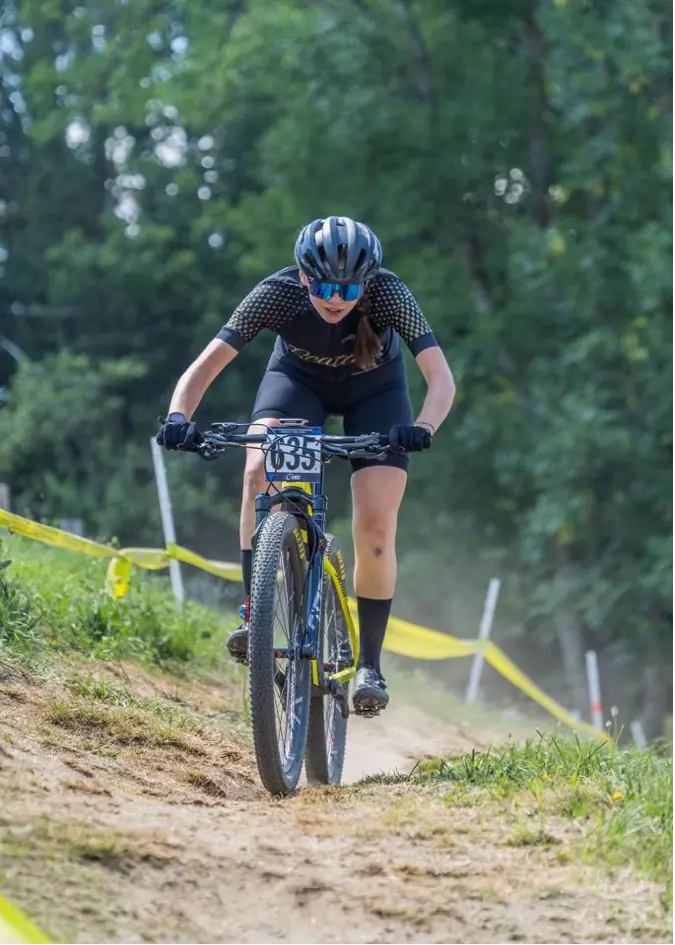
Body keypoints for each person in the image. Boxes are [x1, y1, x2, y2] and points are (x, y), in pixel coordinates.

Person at [157, 215, 455, 713]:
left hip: (376, 394)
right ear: (302, 278)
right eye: (323, 286)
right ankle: (256, 615)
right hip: (297, 386)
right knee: (257, 470)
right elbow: (206, 365)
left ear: (368, 280)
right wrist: (177, 416)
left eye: (349, 286)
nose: (336, 297)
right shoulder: (276, 293)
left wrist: (422, 427)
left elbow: (440, 377)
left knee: (377, 526)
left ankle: (370, 665)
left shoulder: (389, 293)